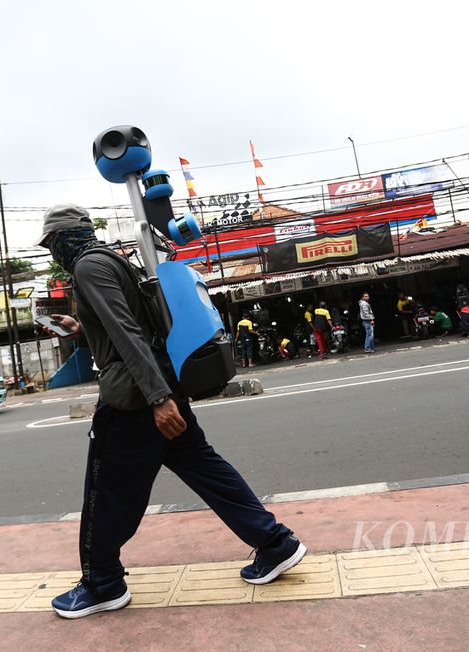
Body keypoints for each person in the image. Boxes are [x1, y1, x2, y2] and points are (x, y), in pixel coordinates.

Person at [36, 204, 305, 619]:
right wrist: (81, 331)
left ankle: (102, 583)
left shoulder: (88, 268)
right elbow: (130, 330)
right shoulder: (114, 259)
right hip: (161, 387)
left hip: (135, 401)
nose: (53, 252)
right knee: (210, 472)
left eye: (53, 243)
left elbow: (127, 334)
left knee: (105, 494)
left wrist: (157, 399)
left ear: (64, 239)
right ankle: (276, 544)